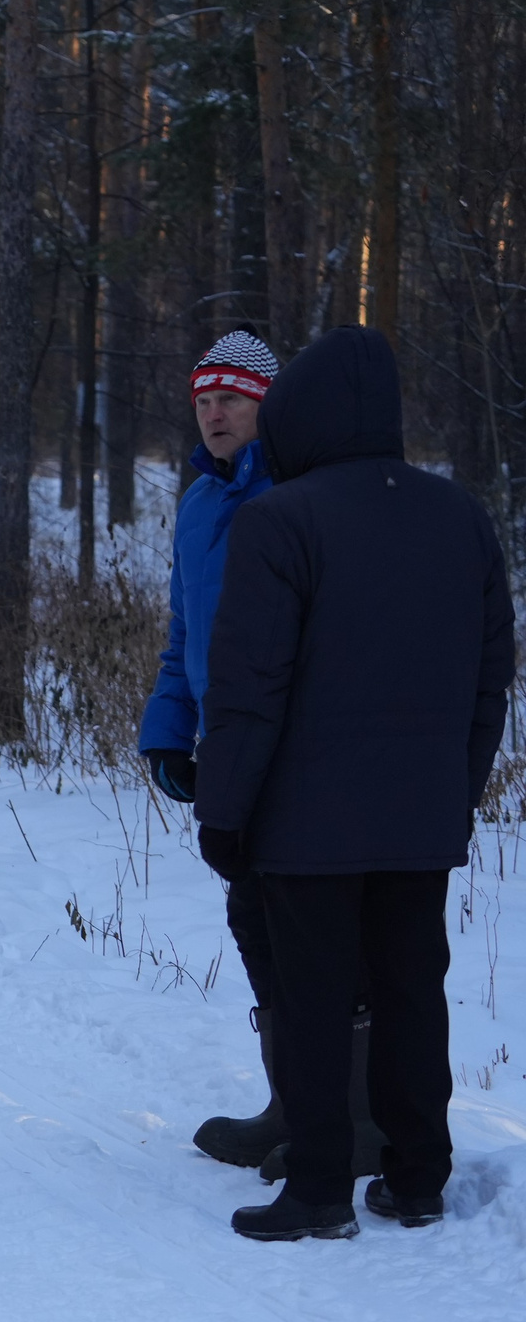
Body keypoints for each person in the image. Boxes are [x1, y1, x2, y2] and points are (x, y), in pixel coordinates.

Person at [196, 326, 514, 1241]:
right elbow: (492, 671)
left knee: (313, 999)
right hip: (420, 815)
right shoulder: (459, 516)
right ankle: (417, 1177)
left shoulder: (280, 520)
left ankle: (321, 1188)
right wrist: (458, 783)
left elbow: (249, 688)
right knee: (414, 991)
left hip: (306, 823)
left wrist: (225, 811)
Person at [140, 331, 300, 1170]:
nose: (214, 412)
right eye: (204, 399)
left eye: (231, 397)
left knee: (308, 924)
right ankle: (290, 1103)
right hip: (226, 745)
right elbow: (183, 632)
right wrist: (168, 728)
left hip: (297, 748)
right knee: (253, 918)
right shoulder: (200, 502)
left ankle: (339, 1114)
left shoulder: (298, 493)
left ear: (268, 405)